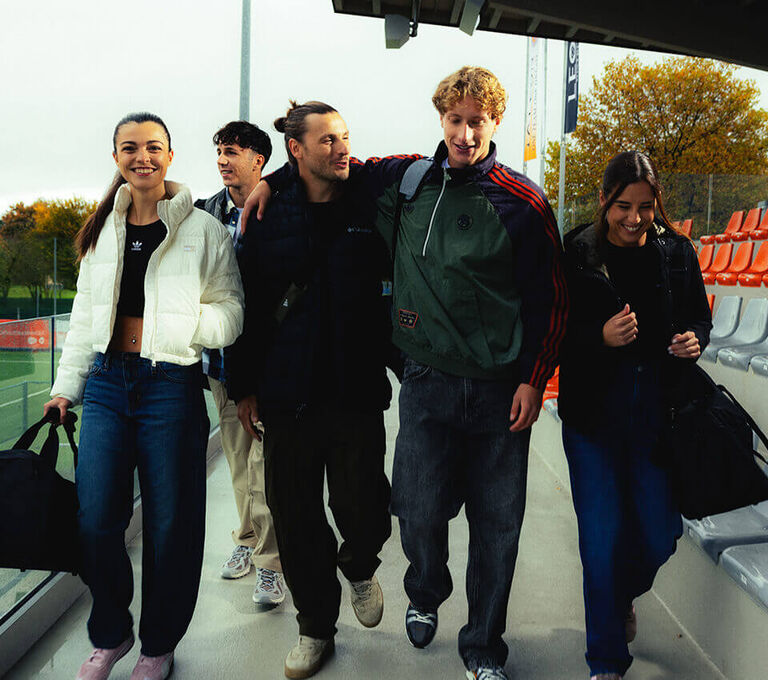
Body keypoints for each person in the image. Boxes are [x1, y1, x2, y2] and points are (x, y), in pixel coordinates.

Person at [247, 65, 567, 680]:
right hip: (425, 383)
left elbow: (549, 298)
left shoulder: (524, 200)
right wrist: (274, 181)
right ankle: (425, 592)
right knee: (416, 513)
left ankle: (482, 647)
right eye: (456, 120)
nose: (466, 133)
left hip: (502, 392)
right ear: (441, 119)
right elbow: (333, 164)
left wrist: (534, 377)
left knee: (497, 530)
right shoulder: (408, 178)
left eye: (478, 122)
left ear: (494, 122)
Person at [44, 112, 244, 680]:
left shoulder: (201, 228)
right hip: (107, 383)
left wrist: (185, 328)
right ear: (116, 158)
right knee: (96, 519)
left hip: (171, 386)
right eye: (129, 148)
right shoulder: (101, 228)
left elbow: (233, 311)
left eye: (153, 147)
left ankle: (158, 643)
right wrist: (65, 389)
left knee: (170, 525)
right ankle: (110, 634)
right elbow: (85, 318)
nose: (142, 158)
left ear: (170, 156)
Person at [227, 101, 393, 679]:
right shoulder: (267, 217)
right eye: (327, 140)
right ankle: (315, 627)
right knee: (296, 521)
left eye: (345, 136)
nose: (341, 148)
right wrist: (242, 388)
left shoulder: (370, 201)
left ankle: (359, 563)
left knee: (366, 506)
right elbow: (244, 303)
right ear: (297, 149)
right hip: (287, 395)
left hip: (355, 390)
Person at [557, 151, 712, 680]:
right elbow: (552, 332)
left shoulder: (676, 251)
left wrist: (697, 340)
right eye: (623, 206)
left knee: (658, 533)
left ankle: (619, 594)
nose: (634, 218)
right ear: (604, 201)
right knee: (600, 541)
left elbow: (698, 317)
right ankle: (605, 662)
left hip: (657, 415)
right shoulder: (576, 251)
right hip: (593, 421)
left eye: (645, 207)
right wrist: (598, 337)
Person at [195, 120, 285, 605]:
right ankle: (247, 542)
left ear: (259, 160)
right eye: (220, 152)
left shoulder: (277, 209)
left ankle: (272, 563)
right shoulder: (206, 212)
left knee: (264, 464)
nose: (223, 160)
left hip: (267, 364)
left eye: (232, 152)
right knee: (236, 461)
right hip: (221, 362)